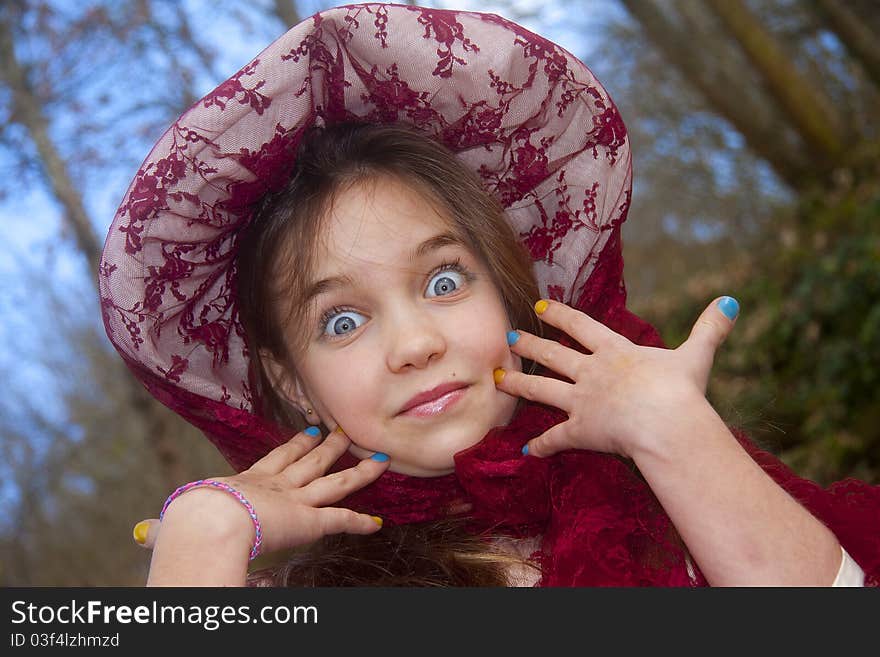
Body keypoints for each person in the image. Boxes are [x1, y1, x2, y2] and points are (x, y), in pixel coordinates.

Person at [100, 3, 879, 587]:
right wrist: (201, 542)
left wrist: (680, 438)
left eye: (444, 280)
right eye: (342, 319)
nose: (414, 345)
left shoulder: (656, 479)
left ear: (508, 290)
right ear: (291, 379)